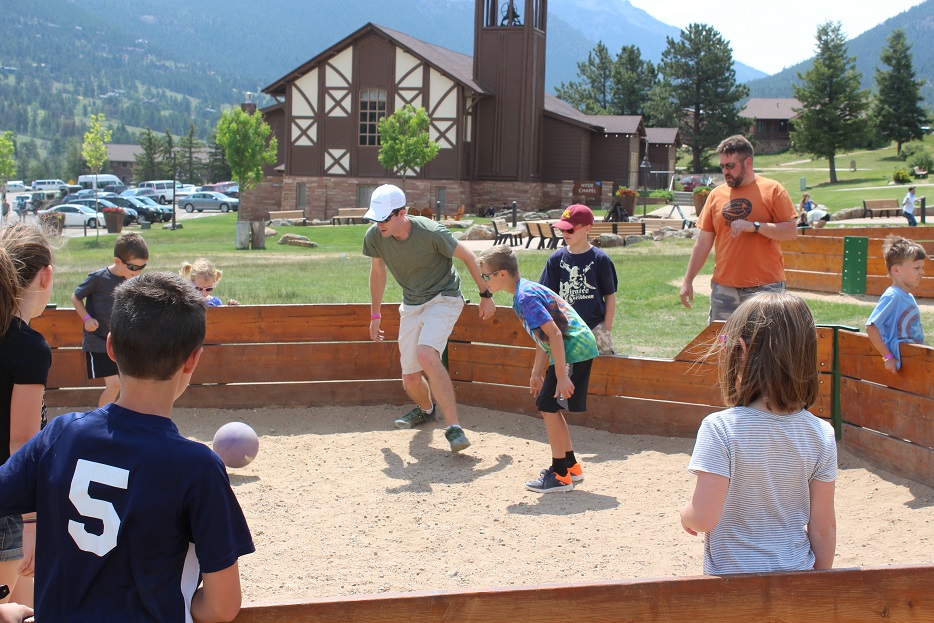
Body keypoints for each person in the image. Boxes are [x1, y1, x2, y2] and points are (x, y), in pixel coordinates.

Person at [0, 272, 255, 621]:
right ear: (192, 360)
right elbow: (222, 606)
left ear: (110, 347)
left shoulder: (61, 435)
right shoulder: (198, 468)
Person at [680, 292, 837, 575]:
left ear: (740, 351)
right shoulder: (821, 433)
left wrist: (685, 513)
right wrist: (817, 586)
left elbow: (703, 518)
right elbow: (823, 527)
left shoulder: (720, 428)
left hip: (734, 584)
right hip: (797, 578)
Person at [363, 184, 495, 452]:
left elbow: (468, 255)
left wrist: (485, 293)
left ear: (401, 213)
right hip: (412, 303)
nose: (379, 225)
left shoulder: (431, 233)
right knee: (410, 378)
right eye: (375, 219)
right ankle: (426, 410)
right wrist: (375, 314)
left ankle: (455, 428)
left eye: (384, 218)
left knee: (426, 354)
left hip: (443, 297)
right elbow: (378, 272)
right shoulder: (375, 236)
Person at [478, 245, 598, 493]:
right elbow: (544, 338)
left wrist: (562, 375)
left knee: (547, 405)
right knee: (550, 406)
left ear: (502, 274)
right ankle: (570, 468)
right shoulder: (523, 293)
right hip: (570, 348)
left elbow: (554, 333)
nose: (483, 281)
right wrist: (536, 372)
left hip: (573, 348)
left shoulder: (525, 297)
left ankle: (559, 474)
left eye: (485, 276)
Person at [680, 135, 798, 322]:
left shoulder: (773, 190)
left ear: (748, 162)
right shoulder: (716, 195)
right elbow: (702, 243)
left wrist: (755, 226)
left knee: (764, 347)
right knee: (723, 345)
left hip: (766, 288)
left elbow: (791, 231)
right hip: (724, 288)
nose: (725, 172)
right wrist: (687, 281)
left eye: (730, 166)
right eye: (722, 166)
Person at [0, 225, 55, 607]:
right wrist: (32, 524)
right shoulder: (28, 347)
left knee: (27, 606)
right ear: (46, 275)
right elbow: (22, 442)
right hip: (7, 504)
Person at [71, 232, 149, 407]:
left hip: (122, 342)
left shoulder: (133, 281)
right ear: (117, 261)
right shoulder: (98, 278)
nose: (137, 272)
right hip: (98, 342)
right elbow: (75, 297)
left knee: (130, 384)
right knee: (115, 384)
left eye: (142, 267)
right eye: (133, 267)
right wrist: (86, 319)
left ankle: (123, 417)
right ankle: (103, 420)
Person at [539, 204, 618, 355]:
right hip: (565, 329)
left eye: (570, 229)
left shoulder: (601, 259)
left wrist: (606, 327)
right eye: (562, 229)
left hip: (595, 328)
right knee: (568, 374)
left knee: (602, 373)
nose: (564, 233)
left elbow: (610, 295)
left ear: (588, 228)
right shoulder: (556, 259)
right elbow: (546, 295)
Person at [866, 235, 926, 373]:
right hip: (900, 366)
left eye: (922, 267)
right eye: (916, 268)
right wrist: (887, 356)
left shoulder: (907, 296)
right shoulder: (893, 296)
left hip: (912, 359)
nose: (922, 272)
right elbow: (871, 327)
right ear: (896, 270)